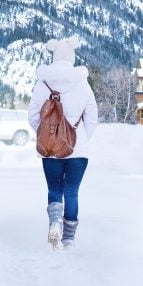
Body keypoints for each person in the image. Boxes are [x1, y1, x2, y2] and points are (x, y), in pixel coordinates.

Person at [28, 37, 98, 250]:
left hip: (50, 149)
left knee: (54, 188)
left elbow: (33, 116)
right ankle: (68, 239)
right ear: (72, 56)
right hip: (78, 150)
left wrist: (48, 134)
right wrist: (79, 137)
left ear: (54, 55)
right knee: (72, 191)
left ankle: (54, 224)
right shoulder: (82, 83)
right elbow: (92, 118)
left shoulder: (43, 84)